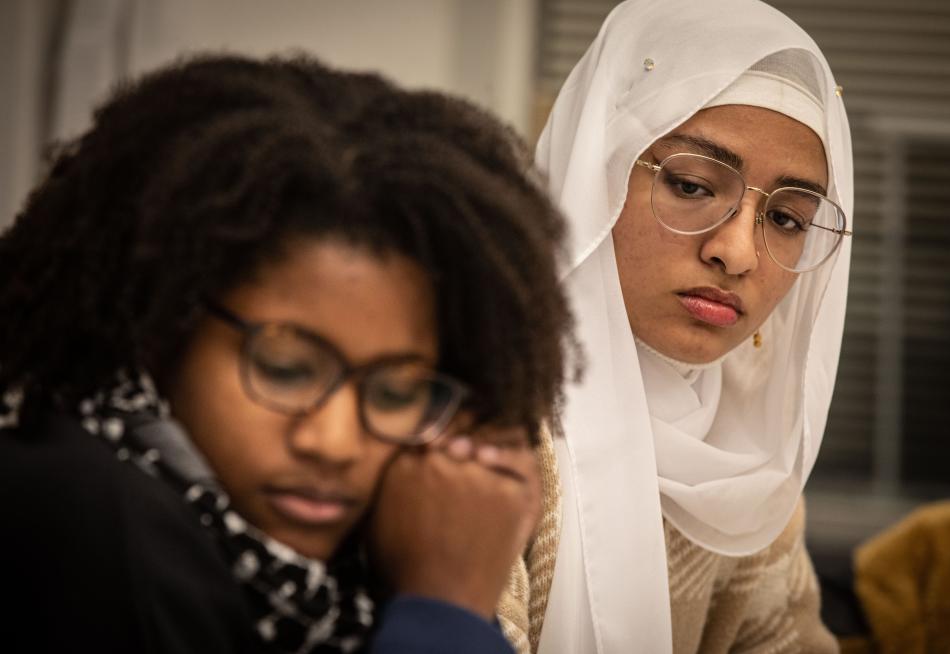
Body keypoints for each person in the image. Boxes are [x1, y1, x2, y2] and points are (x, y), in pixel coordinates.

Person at [0, 54, 576, 653]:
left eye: (395, 392)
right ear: (159, 329)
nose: (334, 444)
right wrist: (445, 610)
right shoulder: (83, 513)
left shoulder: (343, 569)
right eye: (286, 368)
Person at [513, 1, 855, 652]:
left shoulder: (745, 459)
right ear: (594, 178)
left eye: (787, 219)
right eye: (694, 186)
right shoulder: (480, 418)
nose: (739, 252)